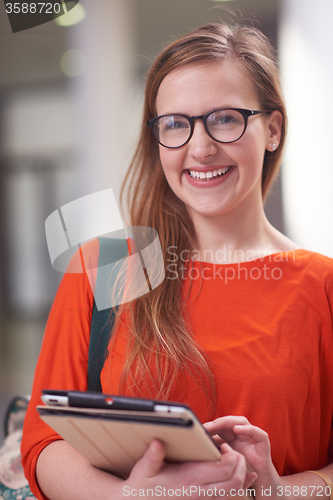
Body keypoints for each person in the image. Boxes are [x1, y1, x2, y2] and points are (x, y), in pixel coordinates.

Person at [21, 21, 333, 500]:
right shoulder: (104, 268)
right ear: (157, 138)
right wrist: (135, 497)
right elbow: (43, 444)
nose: (200, 147)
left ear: (272, 129)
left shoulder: (323, 286)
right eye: (175, 124)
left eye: (225, 118)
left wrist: (277, 492)